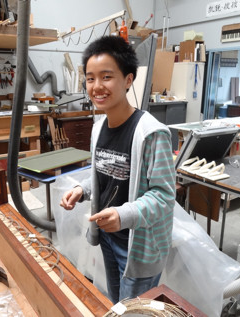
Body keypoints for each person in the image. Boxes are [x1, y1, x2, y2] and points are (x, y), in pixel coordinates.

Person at [60, 35, 175, 304]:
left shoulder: (152, 133)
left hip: (139, 247)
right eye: (90, 78)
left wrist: (123, 215)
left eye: (106, 77)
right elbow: (105, 174)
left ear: (128, 80)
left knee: (134, 310)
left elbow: (164, 197)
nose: (97, 86)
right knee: (116, 303)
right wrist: (82, 189)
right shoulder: (99, 127)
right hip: (110, 238)